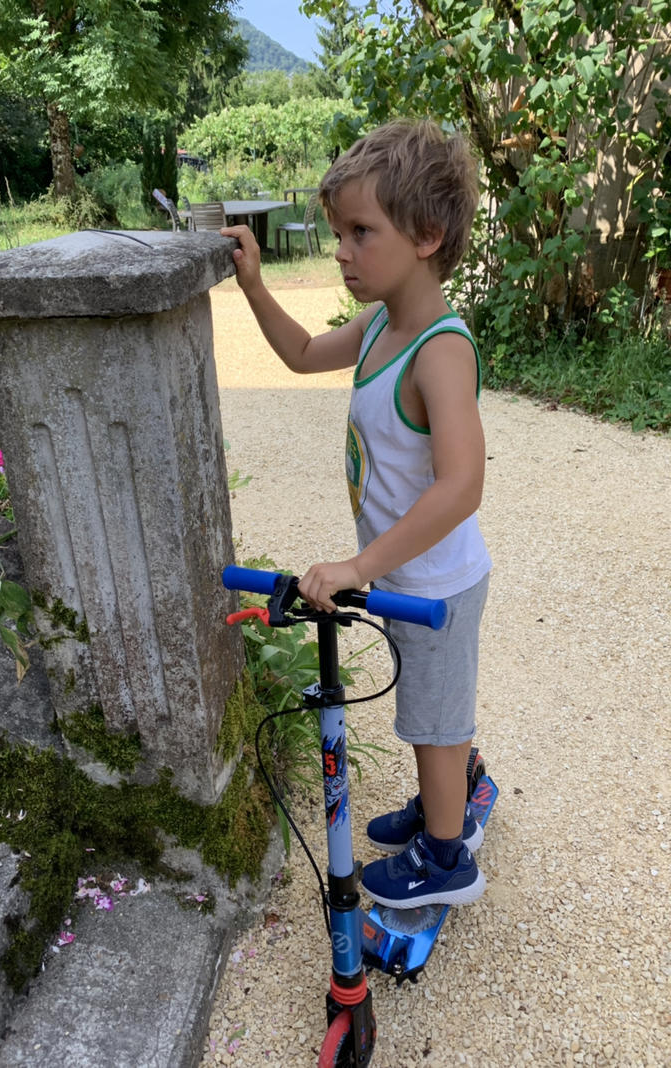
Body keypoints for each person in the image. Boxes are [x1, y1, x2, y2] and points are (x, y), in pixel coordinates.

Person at [221, 118, 491, 909]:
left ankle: (447, 856)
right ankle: (452, 793)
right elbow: (304, 354)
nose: (341, 251)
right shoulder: (380, 326)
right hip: (406, 573)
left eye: (360, 232)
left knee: (433, 721)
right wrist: (254, 286)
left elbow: (462, 485)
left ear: (427, 235)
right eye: (339, 233)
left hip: (435, 584)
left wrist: (358, 566)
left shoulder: (439, 349)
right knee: (433, 709)